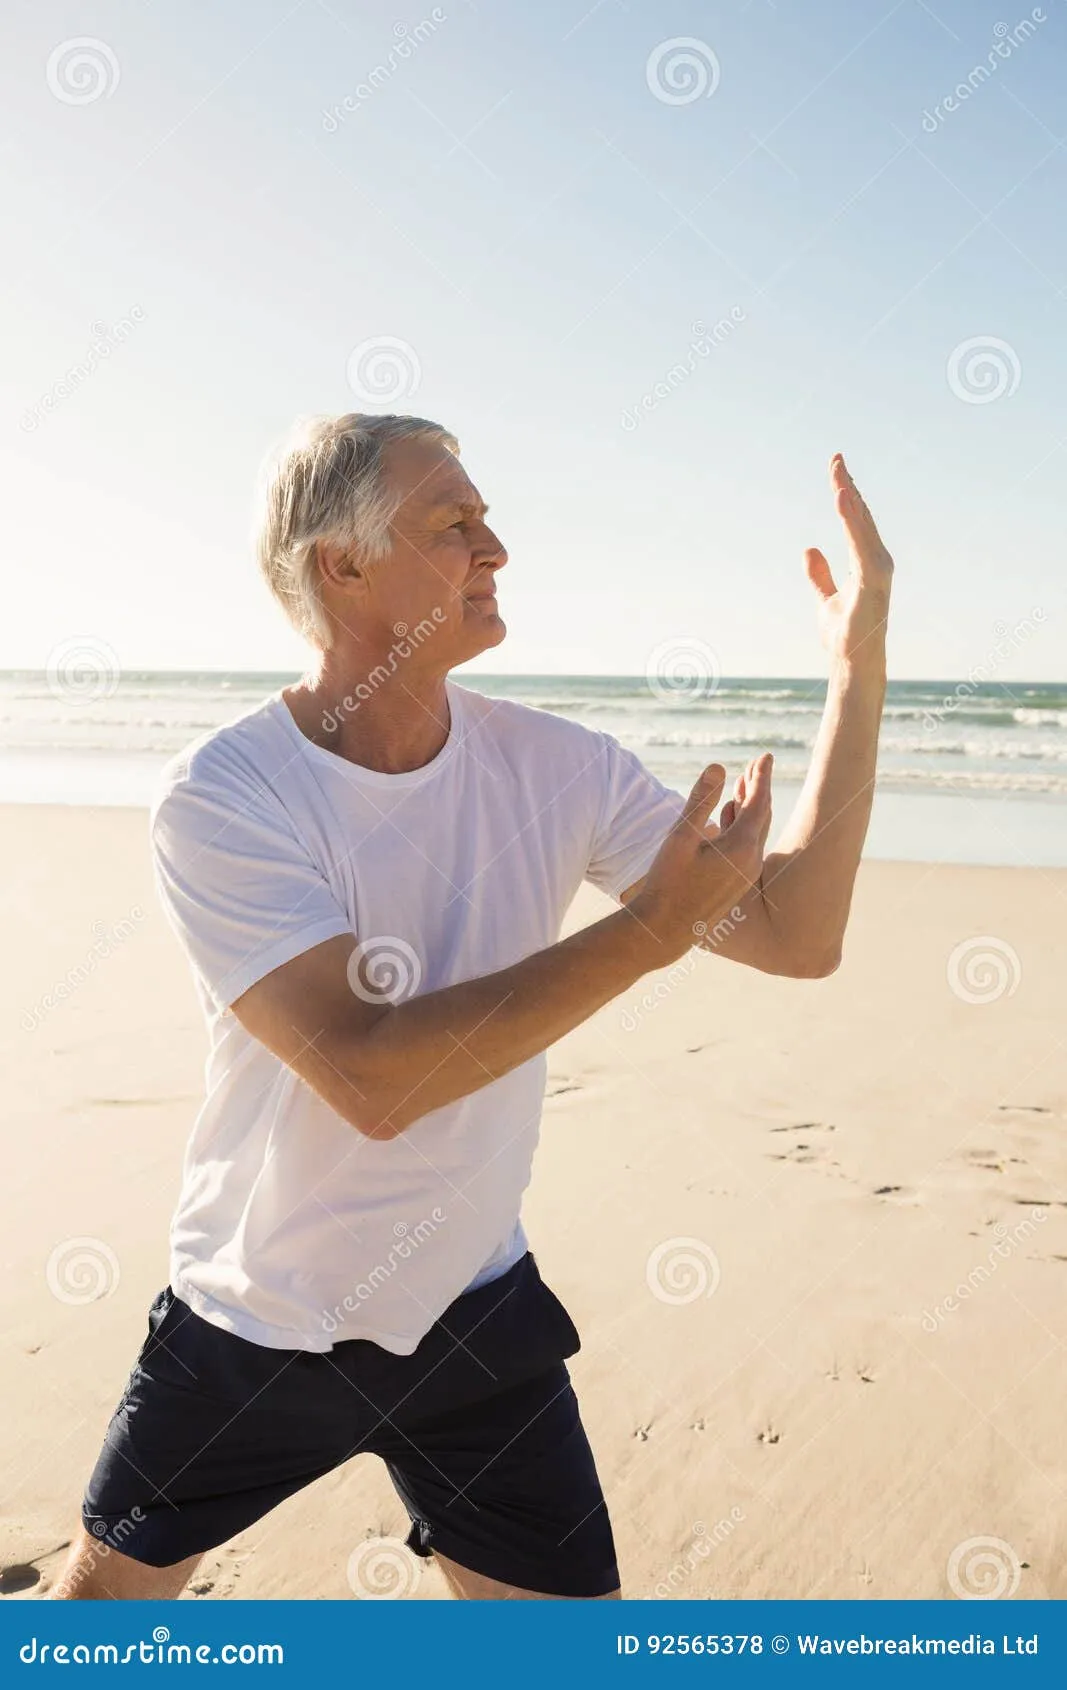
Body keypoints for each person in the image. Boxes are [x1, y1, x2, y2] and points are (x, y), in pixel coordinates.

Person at [53, 413, 893, 1600]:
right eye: (453, 524)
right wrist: (652, 927)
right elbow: (371, 1077)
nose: (493, 548)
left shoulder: (562, 766)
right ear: (338, 566)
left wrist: (857, 662)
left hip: (471, 1316)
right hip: (253, 1319)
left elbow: (796, 935)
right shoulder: (225, 796)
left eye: (487, 521)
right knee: (92, 1642)